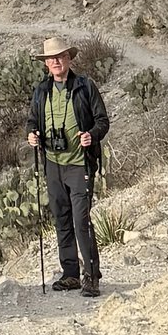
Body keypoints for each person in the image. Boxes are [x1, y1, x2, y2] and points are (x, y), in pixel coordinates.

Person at [26, 35, 109, 296]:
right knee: (61, 219)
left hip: (79, 164)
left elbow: (102, 120)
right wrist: (32, 134)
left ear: (69, 58)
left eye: (60, 56)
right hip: (53, 164)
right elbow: (32, 121)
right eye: (51, 58)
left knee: (80, 220)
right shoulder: (42, 91)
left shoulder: (85, 86)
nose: (56, 62)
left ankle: (91, 276)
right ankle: (70, 274)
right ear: (46, 64)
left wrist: (91, 135)